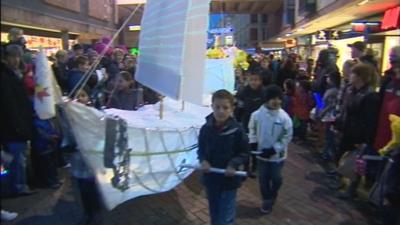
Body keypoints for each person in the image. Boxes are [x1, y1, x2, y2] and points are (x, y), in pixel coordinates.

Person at [198, 89, 249, 225]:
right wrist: (203, 161)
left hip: (229, 180)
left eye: (225, 107)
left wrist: (233, 164)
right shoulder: (205, 129)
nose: (221, 111)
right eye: (217, 107)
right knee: (214, 213)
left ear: (232, 108)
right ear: (212, 107)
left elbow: (244, 153)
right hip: (211, 178)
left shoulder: (237, 130)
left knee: (226, 216)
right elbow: (201, 149)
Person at [248, 85, 293, 214]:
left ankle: (273, 194)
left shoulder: (284, 118)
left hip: (277, 156)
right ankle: (267, 200)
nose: (276, 101)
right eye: (273, 98)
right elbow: (252, 129)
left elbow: (287, 135)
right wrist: (253, 142)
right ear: (266, 99)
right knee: (263, 179)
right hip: (261, 155)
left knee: (276, 178)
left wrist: (275, 149)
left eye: (279, 98)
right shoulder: (256, 115)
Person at [0, 44, 36, 196]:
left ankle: (19, 185)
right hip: (13, 126)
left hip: (20, 123)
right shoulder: (5, 76)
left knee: (18, 158)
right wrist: (18, 126)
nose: (16, 60)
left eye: (18, 56)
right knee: (15, 160)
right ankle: (17, 187)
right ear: (6, 58)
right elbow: (9, 105)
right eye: (12, 56)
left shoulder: (17, 74)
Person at [235, 72, 266, 178]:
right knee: (246, 145)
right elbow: (239, 105)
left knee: (256, 145)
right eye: (252, 79)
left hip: (259, 123)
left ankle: (255, 167)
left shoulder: (263, 92)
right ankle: (246, 168)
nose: (254, 82)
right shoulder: (244, 91)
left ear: (260, 81)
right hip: (246, 121)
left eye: (256, 80)